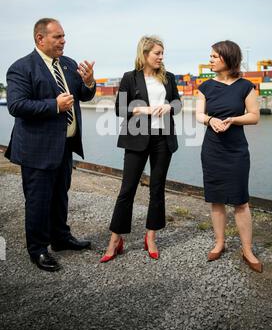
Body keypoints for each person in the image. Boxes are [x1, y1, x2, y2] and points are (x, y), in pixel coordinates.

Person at [5, 18, 96, 272]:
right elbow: (16, 105)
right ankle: (38, 249)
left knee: (60, 195)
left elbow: (84, 95)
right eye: (57, 37)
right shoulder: (21, 68)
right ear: (40, 38)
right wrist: (54, 105)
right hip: (36, 148)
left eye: (64, 36)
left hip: (65, 146)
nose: (63, 41)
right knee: (38, 200)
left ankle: (60, 238)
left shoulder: (67, 64)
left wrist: (89, 82)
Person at [100, 35, 182, 262]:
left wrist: (168, 106)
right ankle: (115, 240)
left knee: (157, 188)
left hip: (163, 139)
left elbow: (178, 103)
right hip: (136, 139)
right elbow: (120, 109)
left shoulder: (169, 78)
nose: (161, 57)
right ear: (144, 54)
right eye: (157, 53)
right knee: (127, 190)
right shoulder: (130, 78)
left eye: (162, 53)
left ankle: (151, 237)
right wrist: (143, 110)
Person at [196, 40, 263, 273]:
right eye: (210, 56)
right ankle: (220, 243)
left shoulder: (246, 86)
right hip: (212, 149)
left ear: (227, 58)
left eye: (214, 56)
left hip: (236, 150)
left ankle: (247, 250)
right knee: (216, 199)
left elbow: (254, 116)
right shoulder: (205, 86)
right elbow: (199, 115)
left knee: (240, 201)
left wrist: (234, 119)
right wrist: (210, 119)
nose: (210, 60)